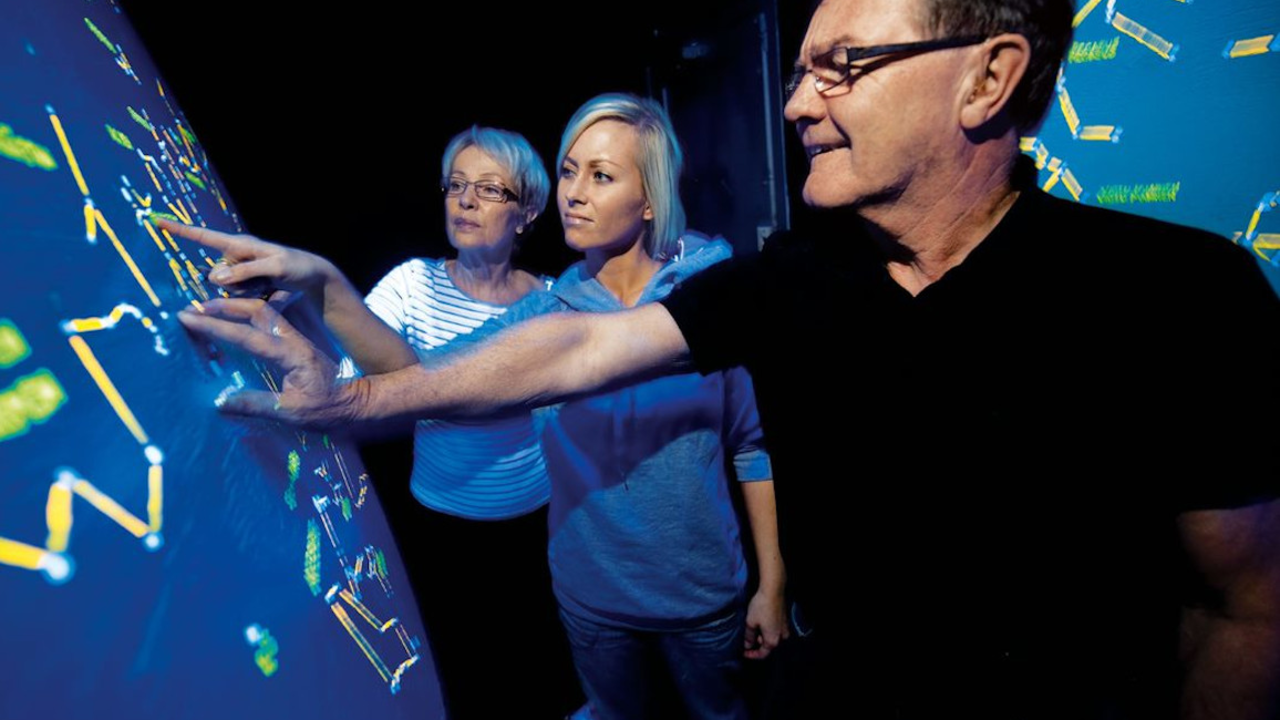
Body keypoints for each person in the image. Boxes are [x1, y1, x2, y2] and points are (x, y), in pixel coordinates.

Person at [175, 1, 1280, 718]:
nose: (797, 102)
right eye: (799, 72)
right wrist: (349, 397)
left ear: (987, 79)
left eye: (843, 67)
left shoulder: (1183, 296)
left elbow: (1246, 607)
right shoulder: (797, 275)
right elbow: (580, 346)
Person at [164, 125, 581, 720]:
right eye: (455, 185)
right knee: (456, 675)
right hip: (436, 522)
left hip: (535, 522)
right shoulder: (413, 283)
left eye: (489, 189)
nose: (465, 201)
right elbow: (353, 383)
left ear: (528, 212)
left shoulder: (554, 300)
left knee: (532, 671)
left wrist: (327, 286)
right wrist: (309, 306)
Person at [447, 93, 787, 720]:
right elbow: (425, 374)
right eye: (568, 171)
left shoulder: (711, 298)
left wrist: (773, 584)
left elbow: (752, 447)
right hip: (593, 604)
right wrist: (326, 292)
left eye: (601, 176)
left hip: (702, 600)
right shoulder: (545, 316)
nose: (573, 193)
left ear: (650, 199)